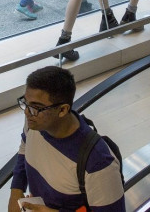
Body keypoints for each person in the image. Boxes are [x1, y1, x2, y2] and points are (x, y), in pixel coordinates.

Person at [8, 66, 125, 212]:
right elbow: (24, 148)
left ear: (62, 110)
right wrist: (16, 191)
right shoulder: (35, 123)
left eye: (36, 107)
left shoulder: (99, 163)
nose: (27, 112)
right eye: (26, 103)